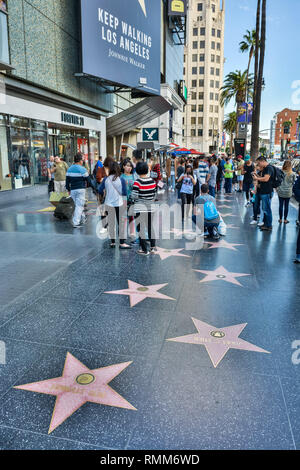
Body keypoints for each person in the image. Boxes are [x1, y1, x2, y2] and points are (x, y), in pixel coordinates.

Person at [98, 161, 131, 249]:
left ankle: (112, 242)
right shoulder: (121, 179)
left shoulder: (106, 179)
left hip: (108, 203)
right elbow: (124, 193)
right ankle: (122, 243)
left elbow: (100, 190)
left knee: (111, 223)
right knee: (121, 223)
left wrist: (106, 191)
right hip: (119, 203)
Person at [131, 161, 157, 256]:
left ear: (137, 171)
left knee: (141, 229)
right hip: (150, 208)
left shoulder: (137, 182)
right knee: (150, 227)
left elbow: (134, 196)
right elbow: (154, 194)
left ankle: (144, 250)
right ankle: (153, 247)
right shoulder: (152, 181)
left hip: (139, 208)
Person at [66, 153, 91, 228]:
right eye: (82, 160)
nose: (83, 161)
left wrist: (68, 189)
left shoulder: (69, 169)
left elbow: (67, 181)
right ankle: (76, 222)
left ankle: (82, 218)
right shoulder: (82, 169)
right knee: (79, 206)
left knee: (78, 205)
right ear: (80, 161)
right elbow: (88, 180)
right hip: (81, 189)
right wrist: (94, 188)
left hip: (73, 190)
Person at [252, 156, 273, 231]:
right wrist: (257, 176)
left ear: (262, 161)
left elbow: (266, 179)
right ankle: (266, 224)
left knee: (267, 209)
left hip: (266, 192)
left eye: (259, 163)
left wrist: (257, 178)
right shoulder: (266, 168)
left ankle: (269, 225)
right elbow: (263, 178)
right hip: (263, 191)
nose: (259, 165)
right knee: (265, 209)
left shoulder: (269, 168)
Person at [121, 158, 136, 242]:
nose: (129, 168)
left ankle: (132, 232)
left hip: (131, 199)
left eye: (130, 166)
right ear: (123, 166)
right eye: (127, 166)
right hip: (123, 199)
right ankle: (123, 234)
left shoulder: (133, 176)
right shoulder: (121, 176)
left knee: (131, 216)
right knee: (123, 217)